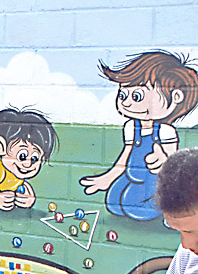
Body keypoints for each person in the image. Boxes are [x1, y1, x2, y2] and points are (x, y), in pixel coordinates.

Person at [82, 51, 198, 222]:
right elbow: (125, 157)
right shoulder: (131, 127)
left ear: (176, 97)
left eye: (137, 96)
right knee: (113, 203)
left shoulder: (165, 131)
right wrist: (107, 178)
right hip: (130, 176)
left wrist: (162, 160)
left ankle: (167, 209)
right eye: (123, 95)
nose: (127, 102)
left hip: (153, 183)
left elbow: (173, 169)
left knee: (137, 210)